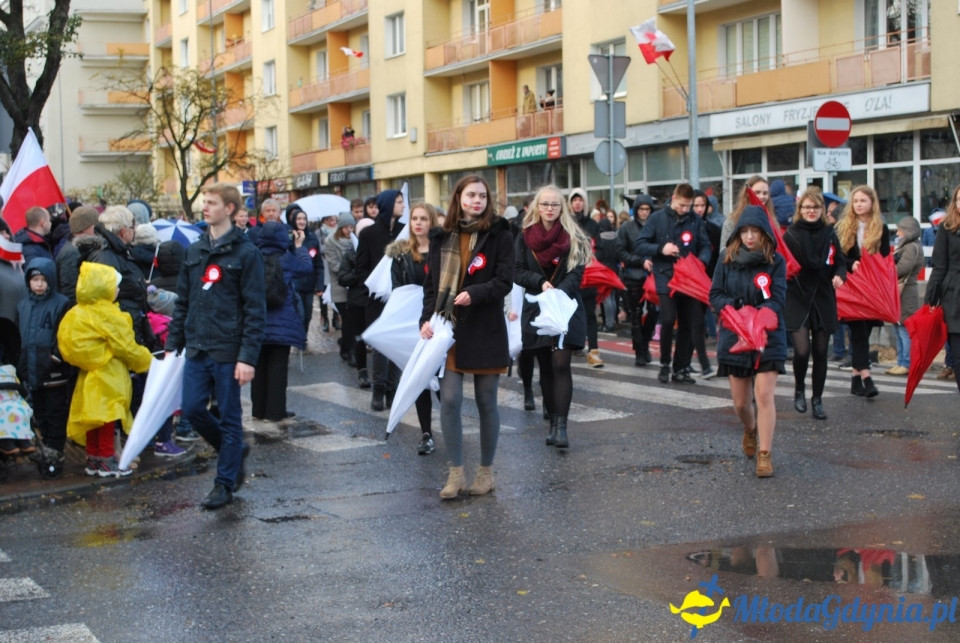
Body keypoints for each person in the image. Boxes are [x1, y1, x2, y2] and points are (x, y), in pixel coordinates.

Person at [165, 183, 266, 510]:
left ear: (231, 209)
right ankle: (232, 451)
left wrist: (247, 357)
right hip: (197, 347)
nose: (205, 207)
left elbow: (254, 308)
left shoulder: (246, 253)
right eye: (204, 202)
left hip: (228, 350)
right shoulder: (194, 251)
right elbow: (184, 301)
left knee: (230, 417)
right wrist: (173, 342)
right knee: (192, 409)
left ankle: (223, 484)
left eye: (212, 203)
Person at [420, 175, 514, 499]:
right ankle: (456, 472)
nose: (477, 201)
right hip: (449, 330)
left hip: (486, 328)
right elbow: (431, 287)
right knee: (449, 399)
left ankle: (485, 473)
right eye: (471, 195)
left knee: (487, 400)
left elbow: (505, 281)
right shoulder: (442, 235)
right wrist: (424, 320)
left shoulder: (500, 233)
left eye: (482, 196)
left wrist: (475, 293)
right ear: (458, 197)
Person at [709, 206, 787, 478]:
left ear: (764, 233)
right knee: (741, 403)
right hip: (735, 333)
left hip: (768, 334)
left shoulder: (775, 260)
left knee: (764, 395)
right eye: (745, 231)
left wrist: (763, 315)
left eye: (755, 231)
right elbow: (715, 294)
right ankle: (750, 428)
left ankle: (765, 455)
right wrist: (736, 310)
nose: (750, 236)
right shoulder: (726, 259)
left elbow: (778, 298)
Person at [58, 262, 153, 477]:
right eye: (114, 285)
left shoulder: (76, 313)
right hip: (109, 374)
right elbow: (127, 347)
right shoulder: (109, 315)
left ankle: (93, 459)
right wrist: (147, 361)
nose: (117, 290)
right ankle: (107, 459)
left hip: (88, 375)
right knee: (108, 416)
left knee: (93, 416)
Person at [514, 185, 592, 449]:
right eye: (545, 204)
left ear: (562, 208)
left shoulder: (573, 236)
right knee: (545, 365)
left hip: (565, 306)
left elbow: (577, 271)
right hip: (536, 307)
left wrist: (559, 291)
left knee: (561, 364)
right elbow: (517, 271)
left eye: (555, 205)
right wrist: (540, 282)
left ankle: (561, 427)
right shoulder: (524, 236)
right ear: (537, 206)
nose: (549, 209)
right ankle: (551, 421)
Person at [635, 183, 711, 384]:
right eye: (682, 205)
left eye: (689, 206)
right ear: (674, 197)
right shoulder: (657, 218)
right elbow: (640, 244)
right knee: (668, 319)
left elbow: (704, 245)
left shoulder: (694, 219)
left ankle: (680, 368)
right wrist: (661, 248)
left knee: (687, 323)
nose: (685, 209)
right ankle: (665, 363)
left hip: (688, 277)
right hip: (665, 275)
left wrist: (701, 262)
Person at [783, 189, 846, 421]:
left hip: (823, 297)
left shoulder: (830, 233)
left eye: (815, 208)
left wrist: (841, 275)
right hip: (798, 297)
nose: (811, 211)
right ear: (800, 210)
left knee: (821, 352)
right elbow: (784, 265)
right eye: (807, 207)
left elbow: (840, 261)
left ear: (822, 210)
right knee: (802, 351)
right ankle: (799, 389)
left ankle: (817, 400)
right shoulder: (791, 234)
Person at [386, 202, 440, 455]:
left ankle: (452, 427)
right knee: (420, 379)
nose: (418, 223)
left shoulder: (444, 251)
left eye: (423, 218)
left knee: (443, 379)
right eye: (414, 219)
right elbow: (398, 291)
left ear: (432, 222)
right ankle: (426, 433)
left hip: (440, 321)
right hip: (414, 325)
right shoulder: (401, 255)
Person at [251, 221, 311, 421]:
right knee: (278, 368)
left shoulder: (254, 258)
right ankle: (275, 411)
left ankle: (258, 410)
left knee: (259, 367)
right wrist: (300, 247)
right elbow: (306, 268)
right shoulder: (286, 258)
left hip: (257, 322)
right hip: (282, 323)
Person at [836, 185, 891, 398]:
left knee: (864, 334)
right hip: (851, 288)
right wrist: (852, 264)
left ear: (871, 203)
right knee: (858, 333)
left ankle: (855, 379)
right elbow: (839, 258)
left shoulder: (881, 228)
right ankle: (867, 378)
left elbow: (885, 258)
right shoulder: (843, 227)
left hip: (872, 288)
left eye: (863, 201)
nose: (859, 204)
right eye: (856, 201)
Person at [16, 258, 71, 454]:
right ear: (28, 281)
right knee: (39, 413)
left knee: (55, 413)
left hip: (53, 372)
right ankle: (46, 448)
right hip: (30, 369)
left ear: (51, 280)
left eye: (43, 279)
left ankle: (55, 451)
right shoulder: (23, 305)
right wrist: (20, 363)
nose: (39, 284)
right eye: (35, 279)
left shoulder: (61, 303)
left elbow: (65, 336)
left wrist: (54, 359)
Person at [357, 189, 405, 410]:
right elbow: (361, 267)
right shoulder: (369, 234)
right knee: (380, 345)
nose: (403, 205)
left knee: (396, 342)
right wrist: (377, 283)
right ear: (387, 204)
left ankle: (392, 390)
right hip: (377, 298)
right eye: (398, 201)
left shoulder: (406, 232)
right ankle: (378, 389)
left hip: (402, 296)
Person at [924, 184, 960, 396]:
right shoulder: (947, 227)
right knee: (957, 355)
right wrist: (930, 299)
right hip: (953, 295)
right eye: (958, 199)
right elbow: (939, 265)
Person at [327, 213, 369, 387]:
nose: (349, 230)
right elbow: (336, 267)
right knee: (349, 323)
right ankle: (349, 350)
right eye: (346, 227)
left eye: (351, 227)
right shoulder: (332, 242)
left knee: (355, 324)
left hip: (358, 292)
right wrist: (356, 274)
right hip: (341, 289)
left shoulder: (362, 245)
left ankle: (349, 348)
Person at [617, 194, 657, 366]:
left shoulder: (656, 226)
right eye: (641, 209)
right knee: (636, 315)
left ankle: (645, 343)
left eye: (647, 209)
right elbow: (620, 252)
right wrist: (640, 261)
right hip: (633, 277)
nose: (644, 213)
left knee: (654, 313)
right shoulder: (626, 228)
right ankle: (639, 351)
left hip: (653, 278)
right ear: (636, 210)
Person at [568, 188, 603, 367]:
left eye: (580, 200)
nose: (577, 203)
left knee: (590, 314)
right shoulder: (565, 222)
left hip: (589, 275)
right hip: (571, 275)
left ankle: (594, 350)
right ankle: (574, 344)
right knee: (571, 312)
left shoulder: (593, 224)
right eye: (574, 200)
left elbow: (600, 246)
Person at [887, 215, 924, 376]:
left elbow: (903, 268)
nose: (897, 234)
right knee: (897, 326)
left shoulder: (910, 247)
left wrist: (887, 269)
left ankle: (906, 362)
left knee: (903, 328)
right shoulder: (908, 245)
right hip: (901, 290)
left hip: (906, 291)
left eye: (900, 231)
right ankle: (900, 361)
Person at [691, 190, 721, 378]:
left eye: (703, 205)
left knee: (696, 321)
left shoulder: (714, 229)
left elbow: (718, 257)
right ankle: (704, 364)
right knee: (696, 322)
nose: (700, 209)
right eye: (696, 205)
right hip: (688, 281)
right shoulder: (685, 228)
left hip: (707, 281)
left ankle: (684, 362)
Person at [285, 204, 324, 336]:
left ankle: (303, 335)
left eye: (304, 219)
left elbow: (318, 264)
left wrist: (319, 285)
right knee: (299, 314)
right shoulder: (288, 237)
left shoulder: (312, 238)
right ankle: (298, 337)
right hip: (294, 284)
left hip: (309, 285)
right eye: (298, 219)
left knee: (307, 315)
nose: (301, 221)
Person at [55, 206, 100, 306]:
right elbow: (70, 291)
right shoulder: (71, 252)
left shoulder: (79, 247)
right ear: (86, 228)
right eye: (95, 226)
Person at [720, 176, 772, 249]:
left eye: (765, 193)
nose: (762, 196)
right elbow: (724, 252)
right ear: (747, 194)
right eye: (757, 192)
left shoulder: (772, 221)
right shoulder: (732, 222)